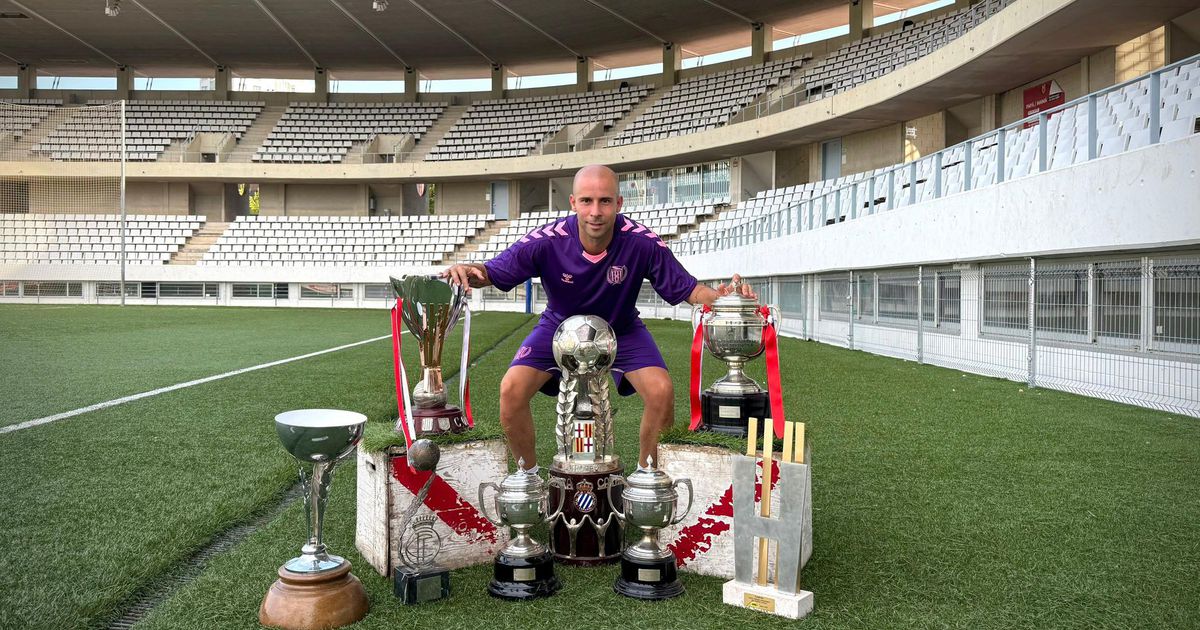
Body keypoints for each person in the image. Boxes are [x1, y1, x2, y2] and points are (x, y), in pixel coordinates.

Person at [442, 164, 755, 471]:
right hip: (559, 326)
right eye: (587, 201)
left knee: (661, 391)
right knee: (511, 389)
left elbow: (689, 289)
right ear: (573, 203)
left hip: (621, 327)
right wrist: (470, 271)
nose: (595, 211)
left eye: (605, 201)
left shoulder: (641, 242)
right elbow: (492, 271)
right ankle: (530, 478)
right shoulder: (547, 240)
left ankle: (650, 482)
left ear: (618, 203)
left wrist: (723, 298)